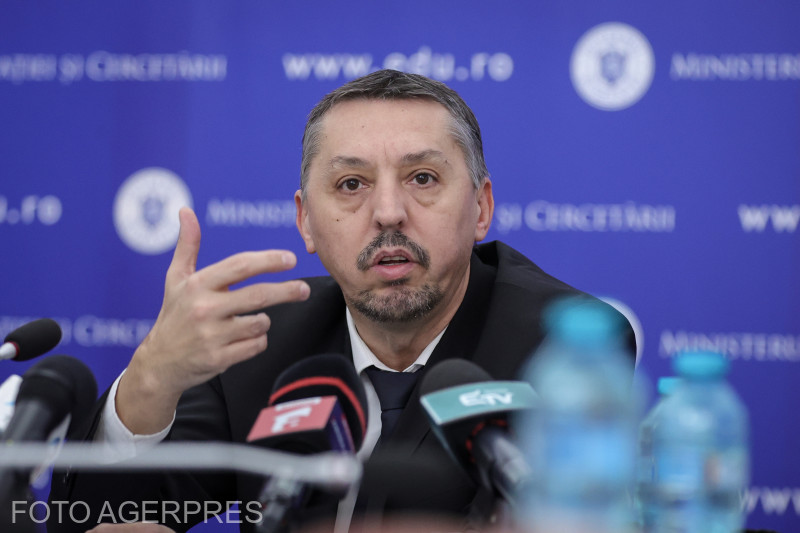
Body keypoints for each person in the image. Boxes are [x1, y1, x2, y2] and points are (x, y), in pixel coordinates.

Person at [47, 70, 635, 532]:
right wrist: (152, 377)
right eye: (351, 184)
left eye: (423, 178)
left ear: (481, 208)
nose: (388, 213)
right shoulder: (259, 343)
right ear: (306, 221)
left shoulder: (562, 350)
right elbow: (99, 519)